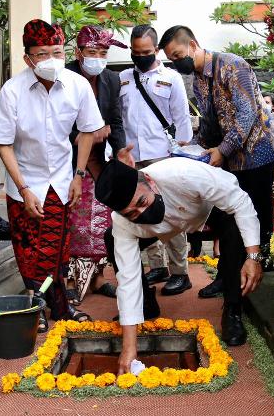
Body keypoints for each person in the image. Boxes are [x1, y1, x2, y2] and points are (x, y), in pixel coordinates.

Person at [95, 156, 264, 374]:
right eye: (131, 214)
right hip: (164, 228)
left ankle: (232, 308)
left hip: (206, 210)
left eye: (142, 202)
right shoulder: (123, 223)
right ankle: (146, 304)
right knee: (111, 237)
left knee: (234, 226)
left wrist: (253, 258)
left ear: (149, 181)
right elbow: (127, 280)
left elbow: (240, 202)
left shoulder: (184, 174)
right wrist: (129, 349)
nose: (141, 213)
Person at [0, 19, 105, 331]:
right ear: (28, 58)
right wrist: (24, 188)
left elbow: (85, 133)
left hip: (62, 180)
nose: (51, 59)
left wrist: (79, 175)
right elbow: (3, 143)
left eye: (57, 51)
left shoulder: (78, 86)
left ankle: (59, 304)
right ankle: (35, 305)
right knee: (28, 247)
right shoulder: (12, 91)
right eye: (42, 54)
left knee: (57, 246)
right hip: (24, 181)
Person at [159, 25, 274, 291]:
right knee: (227, 216)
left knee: (257, 213)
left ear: (192, 45)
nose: (177, 62)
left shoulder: (232, 65)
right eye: (172, 59)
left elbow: (247, 115)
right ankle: (227, 275)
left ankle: (256, 269)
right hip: (228, 157)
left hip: (256, 153)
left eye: (178, 55)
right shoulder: (198, 78)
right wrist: (193, 147)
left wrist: (221, 150)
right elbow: (209, 120)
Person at [119, 24, 192, 296]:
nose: (141, 57)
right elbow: (119, 120)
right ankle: (157, 266)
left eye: (146, 52)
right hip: (133, 159)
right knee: (141, 213)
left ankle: (180, 272)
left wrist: (180, 155)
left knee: (170, 213)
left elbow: (182, 119)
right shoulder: (123, 78)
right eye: (136, 53)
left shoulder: (171, 78)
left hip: (164, 156)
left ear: (157, 50)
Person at [64, 25, 127, 304]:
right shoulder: (63, 75)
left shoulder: (111, 79)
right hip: (66, 161)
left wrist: (121, 149)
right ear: (78, 53)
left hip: (98, 163)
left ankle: (98, 276)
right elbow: (54, 121)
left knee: (101, 221)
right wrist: (82, 136)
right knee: (71, 221)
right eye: (93, 52)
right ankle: (66, 278)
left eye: (103, 52)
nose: (98, 58)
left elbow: (115, 120)